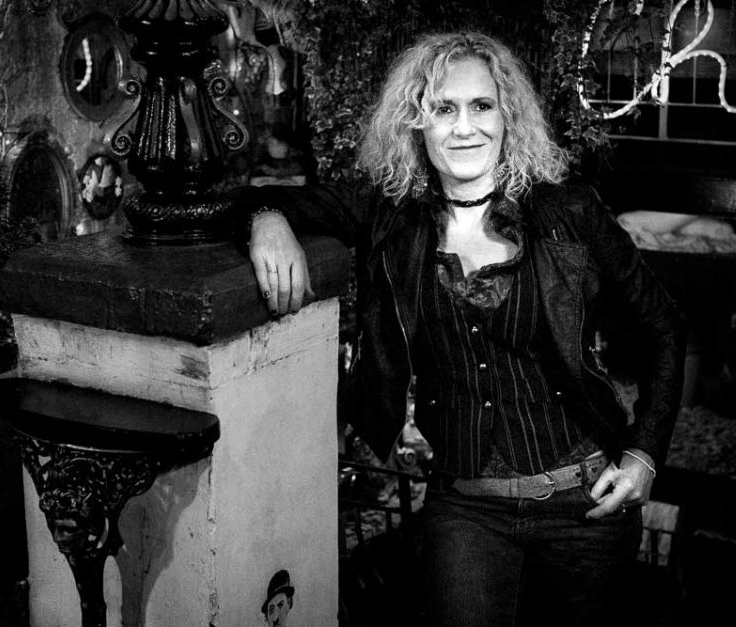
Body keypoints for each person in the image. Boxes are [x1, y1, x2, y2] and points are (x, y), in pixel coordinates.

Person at [240, 31, 685, 626]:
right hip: (466, 511)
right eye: (443, 109)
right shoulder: (388, 215)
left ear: (507, 118)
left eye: (482, 106)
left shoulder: (570, 213)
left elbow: (664, 325)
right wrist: (267, 218)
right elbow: (242, 199)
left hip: (585, 505)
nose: (465, 127)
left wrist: (645, 453)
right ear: (416, 124)